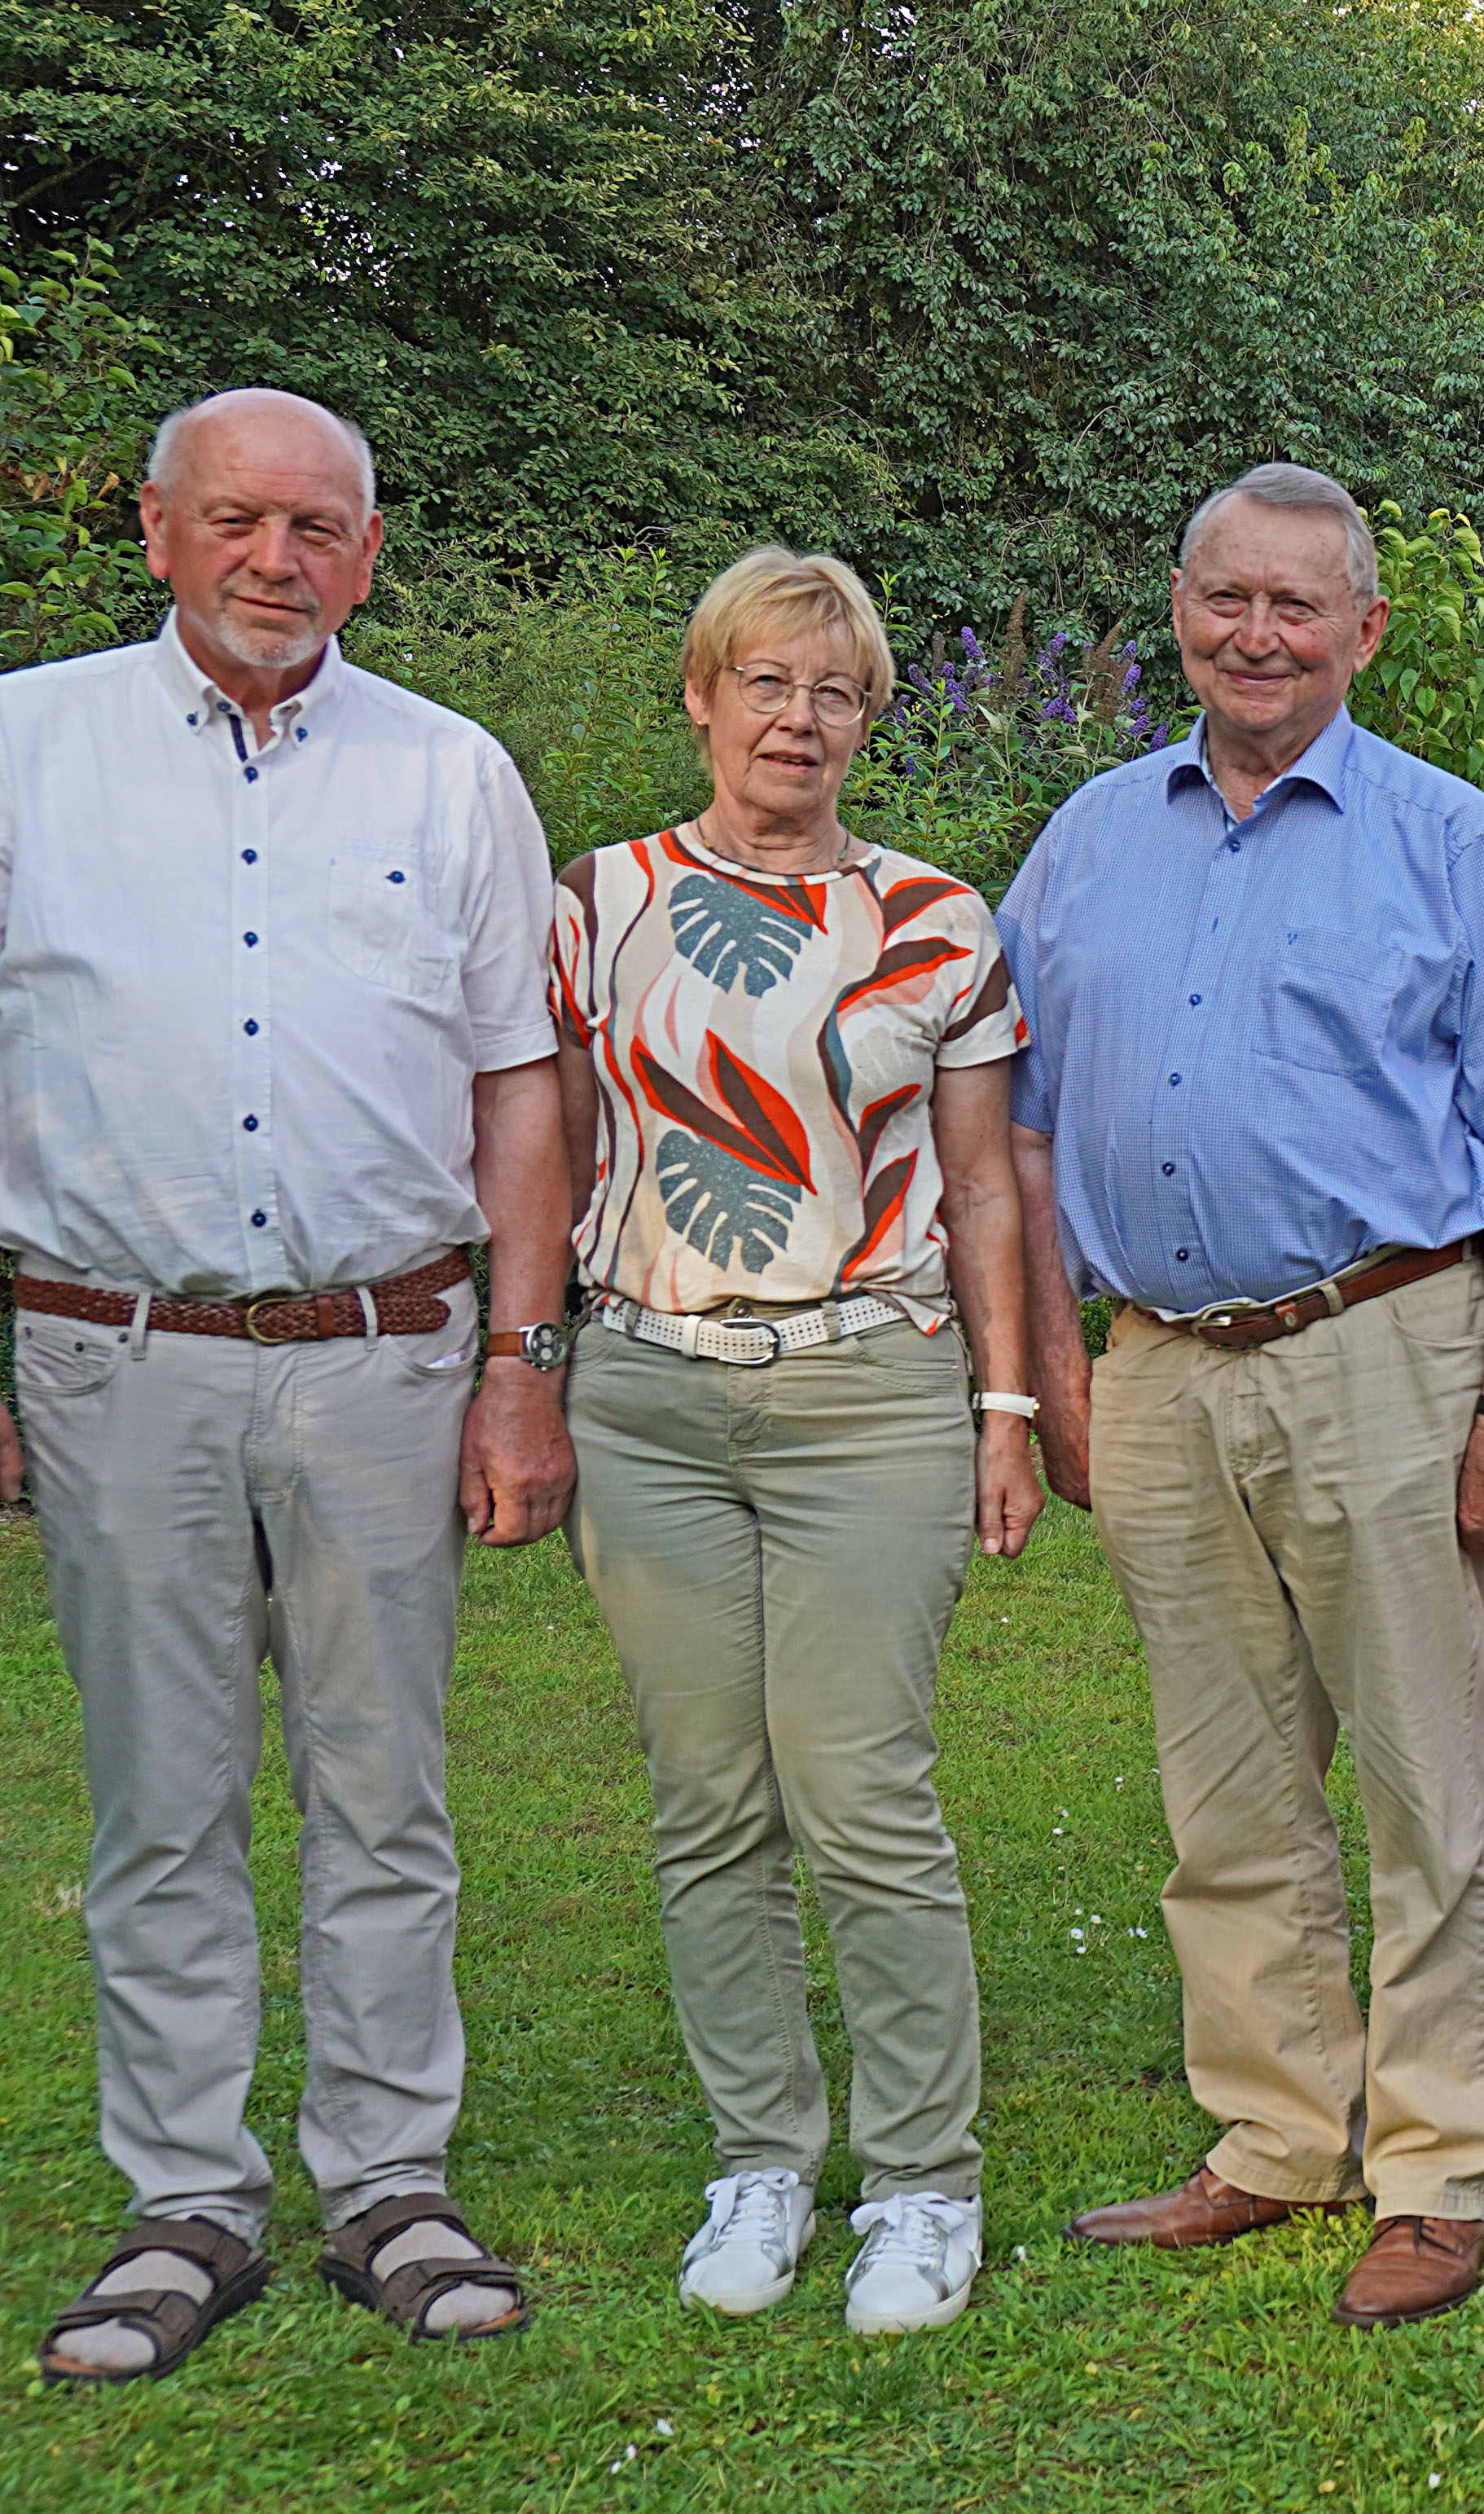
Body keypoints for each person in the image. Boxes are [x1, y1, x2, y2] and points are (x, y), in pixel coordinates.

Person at [1, 388, 571, 2379]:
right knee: (160, 1798)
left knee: (381, 1787)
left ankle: (388, 2177)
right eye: (237, 520)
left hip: (384, 1354)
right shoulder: (22, 744)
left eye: (318, 527)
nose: (277, 559)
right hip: (113, 1347)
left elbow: (519, 1080)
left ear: (368, 550)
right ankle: (184, 2196)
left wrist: (522, 1361)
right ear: (154, 530)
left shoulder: (450, 774)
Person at [1003, 462, 1484, 2331]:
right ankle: (1273, 2135)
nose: (1255, 634)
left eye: (1296, 605)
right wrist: (1046, 1371)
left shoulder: (1446, 839)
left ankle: (1434, 2166)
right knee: (1226, 1788)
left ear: (1363, 629)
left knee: (1427, 1780)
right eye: (1223, 598)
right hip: (1161, 1363)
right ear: (1177, 610)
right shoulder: (1088, 835)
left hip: (1387, 1346)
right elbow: (1015, 1142)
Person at [547, 547, 1043, 2337]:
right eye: (766, 680)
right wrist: (523, 1367)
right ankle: (760, 2152)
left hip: (870, 1389)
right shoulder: (593, 900)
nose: (799, 717)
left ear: (867, 718)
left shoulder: (936, 917)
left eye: (835, 691)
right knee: (706, 1801)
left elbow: (985, 1180)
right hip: (649, 1396)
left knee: (862, 1790)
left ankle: (923, 2181)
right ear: (700, 693)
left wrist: (1007, 1402)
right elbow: (542, 1152)